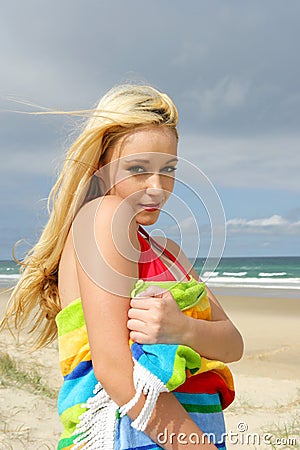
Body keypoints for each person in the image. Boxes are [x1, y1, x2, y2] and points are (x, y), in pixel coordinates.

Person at [1, 84, 243, 450]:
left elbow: (233, 343)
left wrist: (184, 329)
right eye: (138, 169)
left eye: (169, 169)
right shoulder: (103, 216)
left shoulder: (169, 251)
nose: (157, 187)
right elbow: (115, 371)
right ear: (101, 168)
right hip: (130, 433)